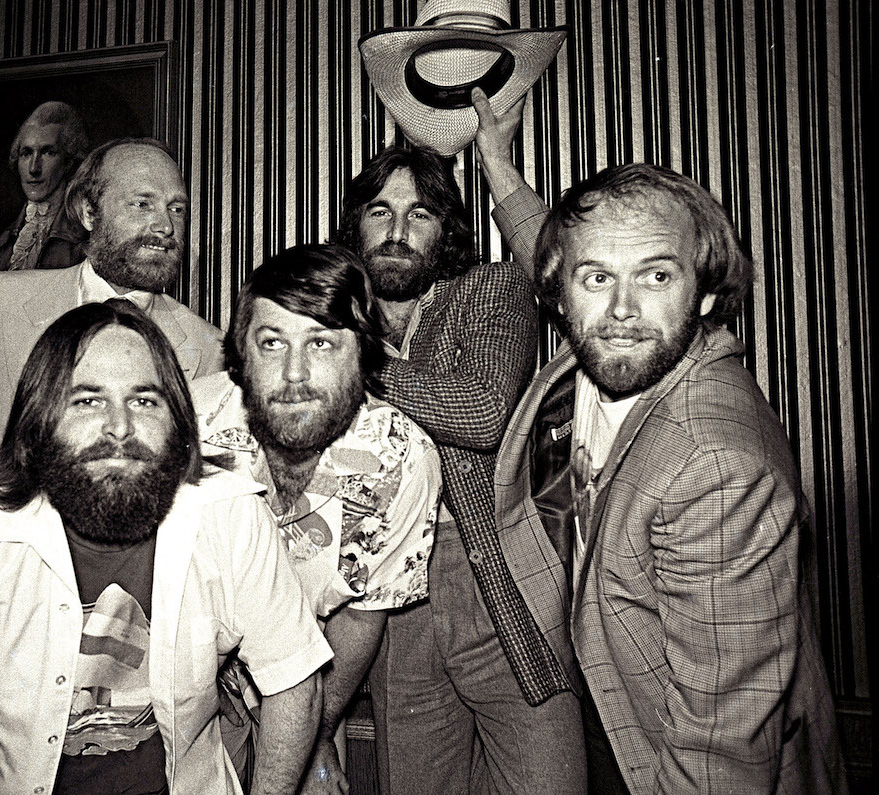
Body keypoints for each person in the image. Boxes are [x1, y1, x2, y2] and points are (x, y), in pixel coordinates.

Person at [0, 300, 331, 794]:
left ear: (178, 423)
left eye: (144, 400)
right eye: (87, 400)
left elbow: (294, 681)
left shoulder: (232, 514)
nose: (120, 427)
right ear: (40, 422)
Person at [495, 162, 846, 792]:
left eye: (657, 276)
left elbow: (720, 745)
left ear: (705, 294)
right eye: (597, 278)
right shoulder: (606, 347)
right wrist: (498, 168)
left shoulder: (714, 465)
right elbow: (553, 246)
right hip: (609, 699)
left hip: (661, 755)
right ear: (559, 290)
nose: (622, 309)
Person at [331, 90, 585, 794]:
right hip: (393, 608)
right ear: (355, 229)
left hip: (500, 586)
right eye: (379, 211)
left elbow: (478, 411)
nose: (397, 229)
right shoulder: (330, 320)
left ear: (446, 233)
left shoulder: (492, 289)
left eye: (420, 213)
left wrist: (349, 360)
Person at [189, 244, 441, 793]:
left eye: (321, 343)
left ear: (365, 354)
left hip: (314, 671)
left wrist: (315, 736)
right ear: (240, 351)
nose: (294, 373)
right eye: (272, 342)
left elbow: (360, 616)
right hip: (186, 673)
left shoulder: (402, 459)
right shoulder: (184, 429)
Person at [0, 137, 225, 497]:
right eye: (143, 204)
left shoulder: (210, 349)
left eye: (176, 209)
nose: (165, 226)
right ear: (88, 212)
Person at [0, 100, 89, 271]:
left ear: (68, 162)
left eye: (48, 152)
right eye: (26, 153)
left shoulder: (85, 242)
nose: (33, 168)